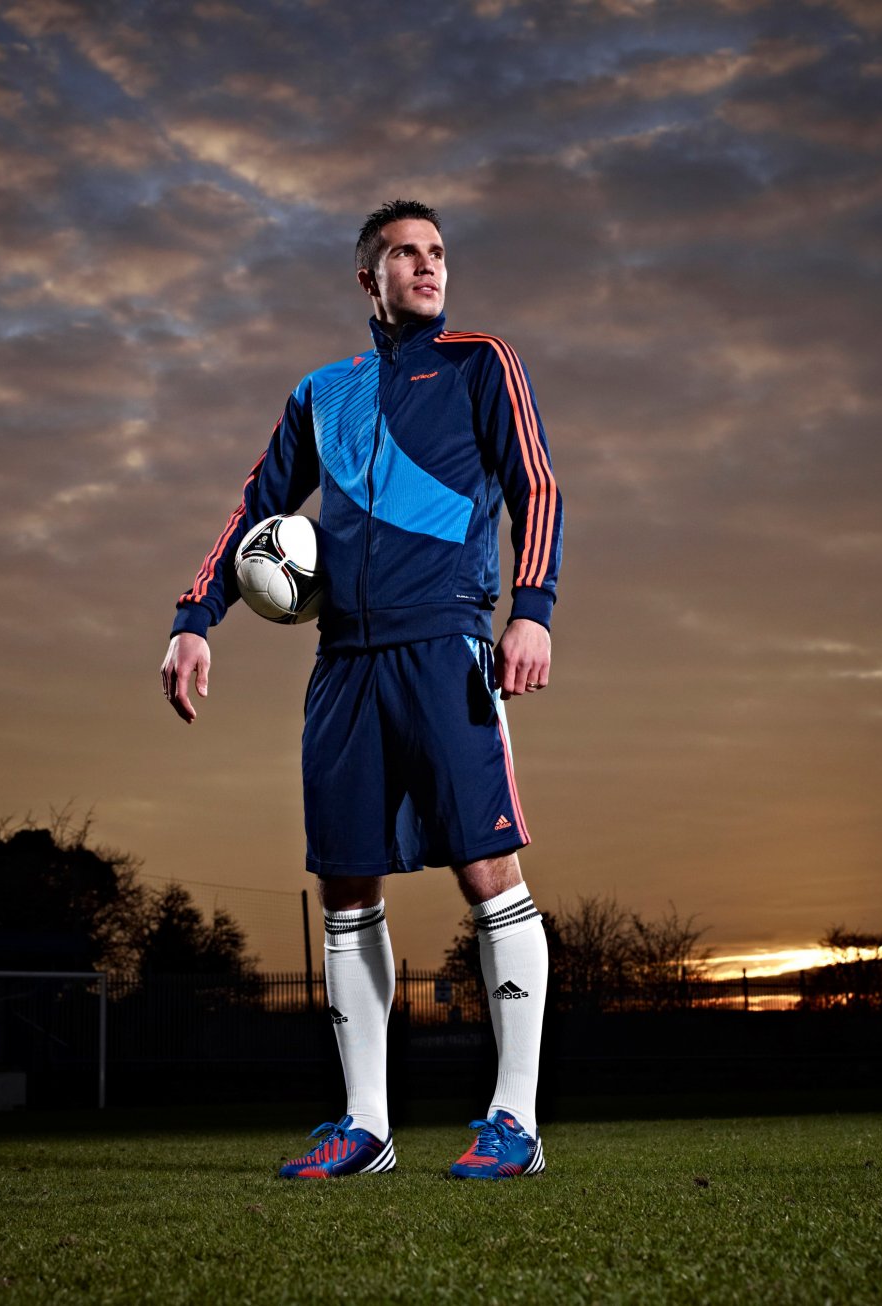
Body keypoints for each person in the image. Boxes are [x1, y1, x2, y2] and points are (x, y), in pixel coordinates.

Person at [159, 199, 562, 1180]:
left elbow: (537, 489)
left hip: (446, 649)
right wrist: (193, 619)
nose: (427, 267)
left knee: (487, 874)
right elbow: (257, 508)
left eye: (437, 253)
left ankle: (515, 1120)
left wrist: (533, 606)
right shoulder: (320, 392)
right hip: (342, 665)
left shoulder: (480, 362)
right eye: (404, 254)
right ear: (366, 277)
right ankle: (365, 1126)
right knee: (346, 888)